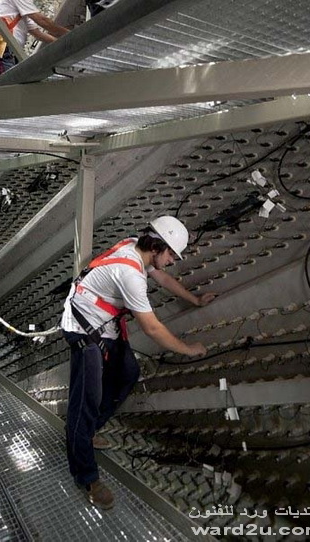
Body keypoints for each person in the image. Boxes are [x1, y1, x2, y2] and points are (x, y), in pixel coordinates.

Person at [61, 215, 214, 510]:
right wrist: (187, 349)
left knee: (128, 374)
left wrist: (194, 300)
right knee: (86, 401)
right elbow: (152, 328)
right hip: (82, 329)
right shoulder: (130, 274)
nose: (172, 261)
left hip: (102, 324)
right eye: (171, 254)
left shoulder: (138, 247)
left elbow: (164, 278)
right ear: (156, 247)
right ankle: (86, 476)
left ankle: (86, 432)